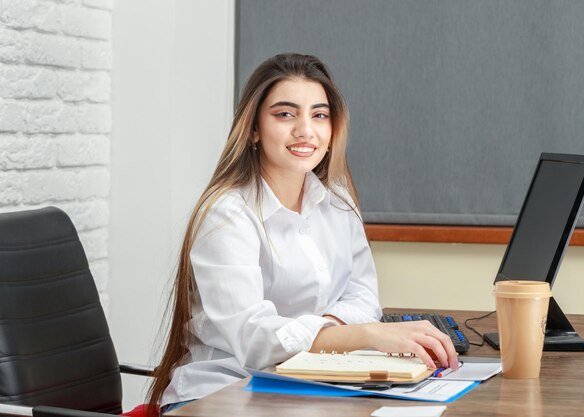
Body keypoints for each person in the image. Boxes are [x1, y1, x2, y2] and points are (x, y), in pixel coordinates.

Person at [147, 53, 458, 414]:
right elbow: (255, 339)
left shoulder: (338, 202)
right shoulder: (227, 214)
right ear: (253, 129)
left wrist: (325, 333)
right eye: (285, 114)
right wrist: (361, 335)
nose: (305, 130)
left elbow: (363, 299)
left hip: (306, 386)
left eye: (319, 115)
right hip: (220, 393)